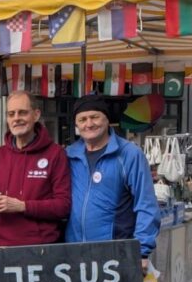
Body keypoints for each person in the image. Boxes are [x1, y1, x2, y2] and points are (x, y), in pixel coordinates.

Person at [65, 94, 160, 271]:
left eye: (94, 117)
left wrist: (141, 251)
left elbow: (146, 204)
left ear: (107, 119)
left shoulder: (129, 154)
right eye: (82, 119)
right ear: (76, 124)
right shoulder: (69, 155)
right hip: (74, 254)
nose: (89, 124)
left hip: (115, 254)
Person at [0, 90, 70, 246]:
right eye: (11, 114)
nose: (16, 118)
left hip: (41, 246)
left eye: (22, 112)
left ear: (36, 115)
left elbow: (63, 206)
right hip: (1, 246)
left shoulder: (55, 154)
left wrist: (23, 206)